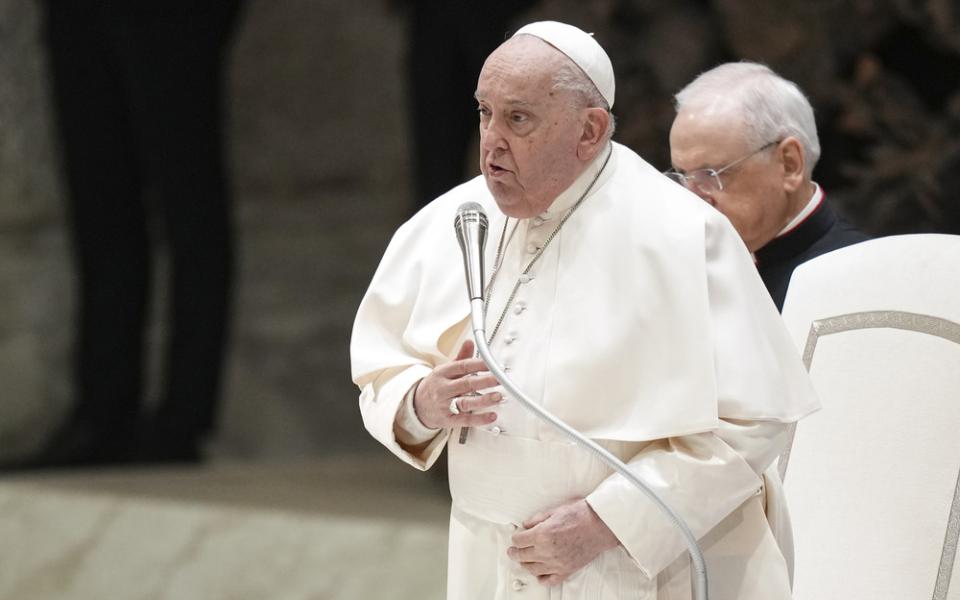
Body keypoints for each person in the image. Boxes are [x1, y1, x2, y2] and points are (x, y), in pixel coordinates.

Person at [352, 21, 819, 599]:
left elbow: (755, 422)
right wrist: (421, 402)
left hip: (638, 566)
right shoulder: (452, 221)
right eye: (483, 113)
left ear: (589, 130)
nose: (491, 141)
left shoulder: (680, 234)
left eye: (518, 119)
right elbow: (379, 373)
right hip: (488, 557)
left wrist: (609, 523)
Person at [24, 0, 244, 467]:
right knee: (98, 201)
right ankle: (102, 414)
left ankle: (183, 419)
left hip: (173, 14)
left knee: (189, 200)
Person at [666, 61, 870, 311]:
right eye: (684, 177)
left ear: (789, 164)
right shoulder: (695, 278)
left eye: (710, 174)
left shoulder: (862, 280)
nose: (694, 199)